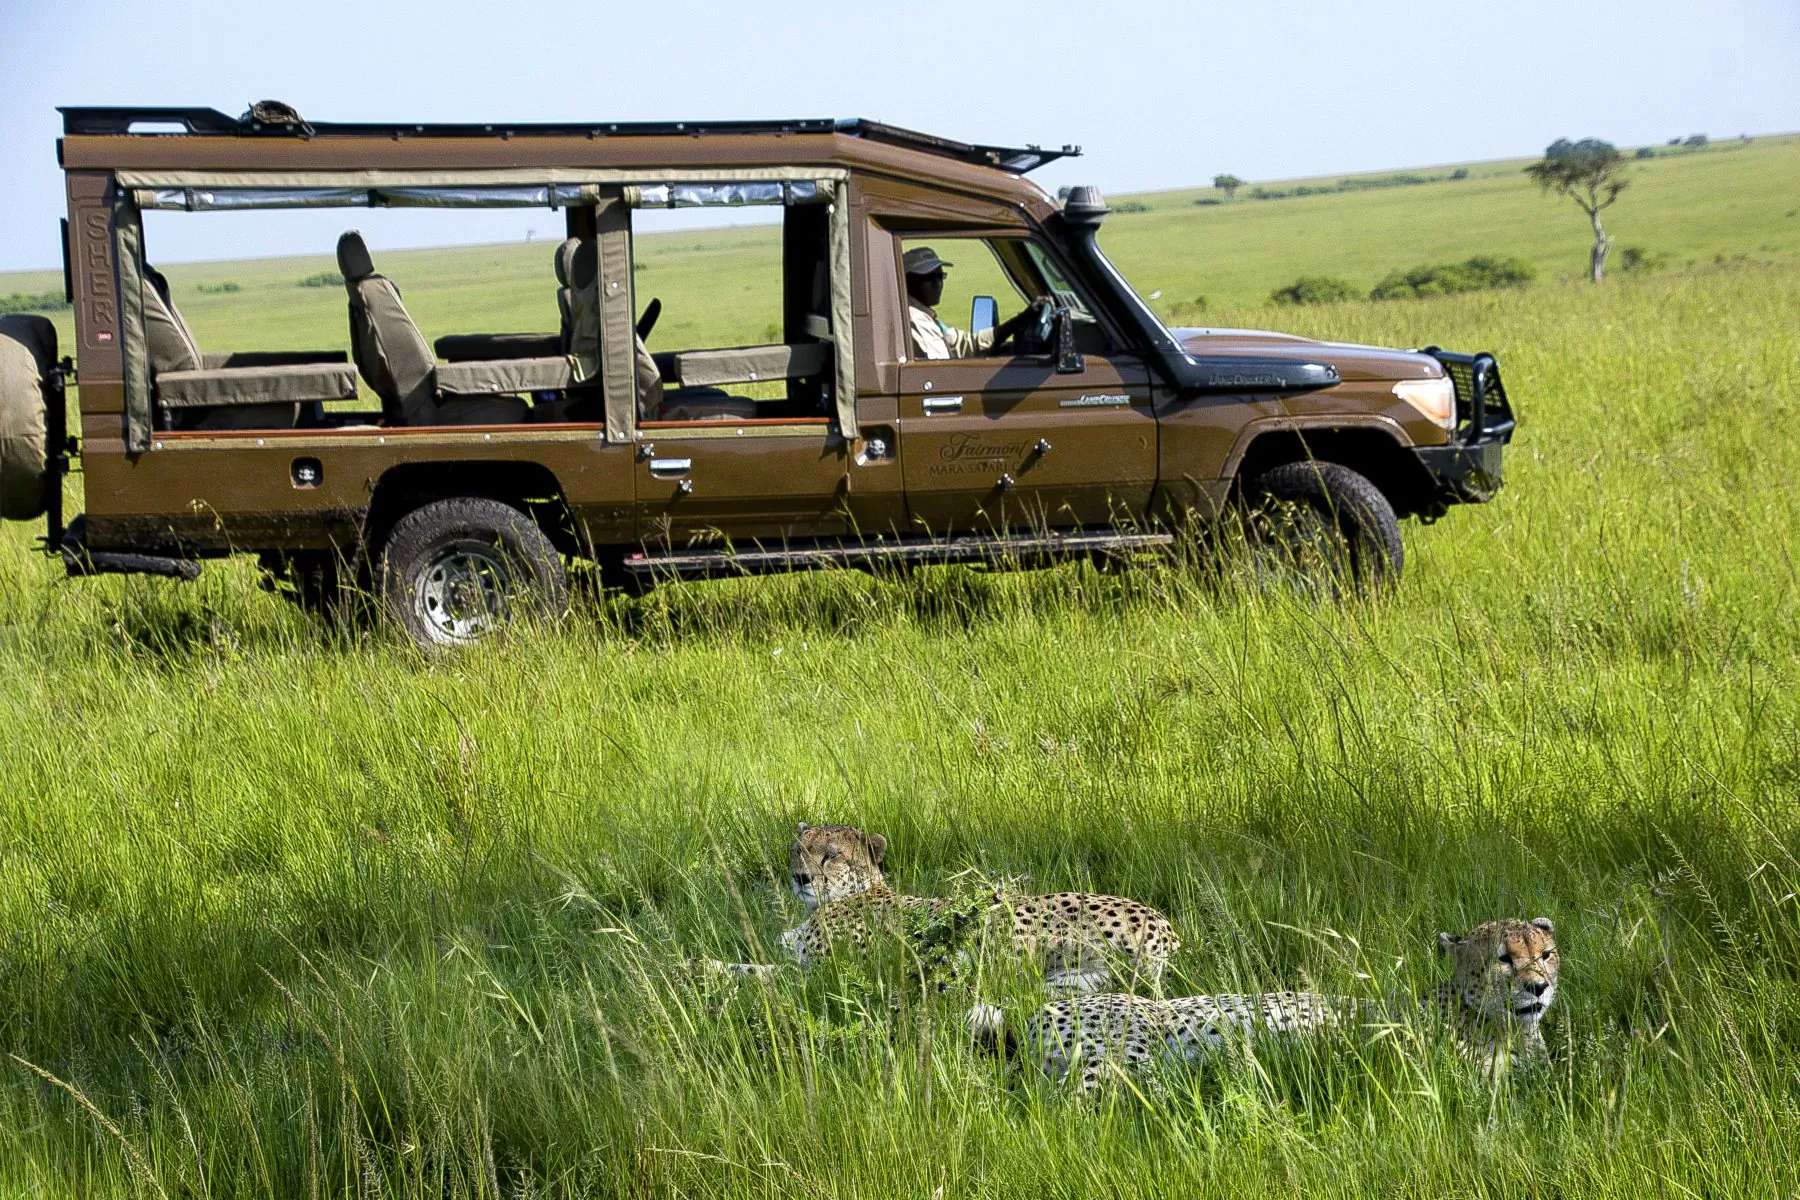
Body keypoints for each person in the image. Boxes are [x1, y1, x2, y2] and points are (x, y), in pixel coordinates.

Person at [904, 246, 1051, 360]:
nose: (938, 284)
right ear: (908, 282)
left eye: (940, 276)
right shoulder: (914, 318)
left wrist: (1019, 320)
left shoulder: (924, 315)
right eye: (929, 278)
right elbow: (939, 371)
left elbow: (966, 345)